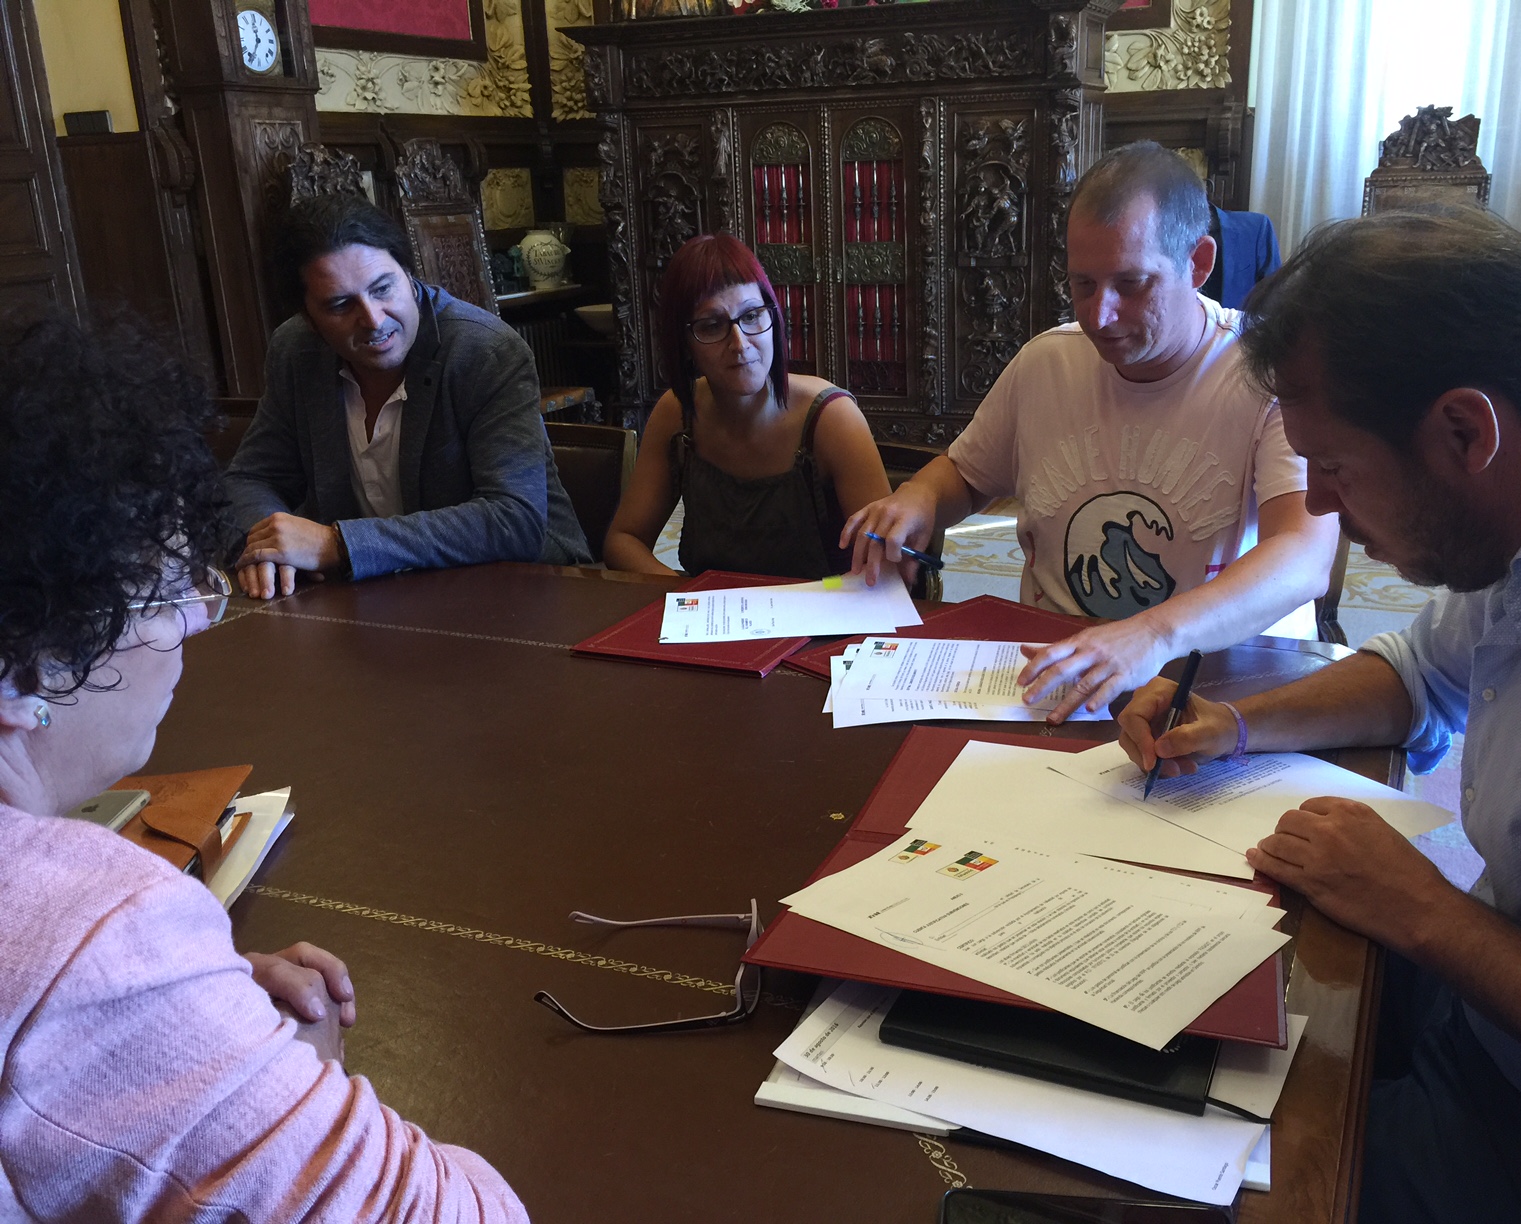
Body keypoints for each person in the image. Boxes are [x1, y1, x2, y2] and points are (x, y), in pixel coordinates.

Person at [1117, 208, 1521, 1222]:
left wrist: (1427, 912)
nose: (1317, 505)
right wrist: (1236, 725)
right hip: (1487, 1007)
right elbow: (1418, 672)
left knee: (1146, 1175)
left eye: (1336, 467)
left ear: (1464, 431)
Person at [0, 308, 526, 1219]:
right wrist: (281, 1075)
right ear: (24, 673)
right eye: (164, 595)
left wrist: (194, 1016)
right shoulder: (94, 933)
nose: (197, 621)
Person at [843, 142, 1338, 720]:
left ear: (1198, 263)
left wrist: (1151, 634)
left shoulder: (1266, 372)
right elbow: (967, 474)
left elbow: (1303, 556)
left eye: (1132, 284)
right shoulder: (1046, 362)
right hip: (1058, 672)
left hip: (1214, 684)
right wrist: (920, 496)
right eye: (1083, 284)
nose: (1099, 316)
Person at [224, 194, 590, 599]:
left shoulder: (485, 352)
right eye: (341, 305)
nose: (373, 319)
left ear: (410, 275)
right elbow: (252, 478)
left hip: (528, 590)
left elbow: (514, 520)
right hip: (378, 598)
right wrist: (267, 549)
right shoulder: (296, 351)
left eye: (383, 288)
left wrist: (338, 544)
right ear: (308, 317)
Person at [603, 233, 891, 579]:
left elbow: (885, 567)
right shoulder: (676, 413)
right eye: (712, 325)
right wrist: (689, 596)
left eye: (752, 315)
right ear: (684, 344)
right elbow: (624, 539)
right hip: (712, 610)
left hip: (824, 605)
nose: (740, 344)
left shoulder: (832, 418)